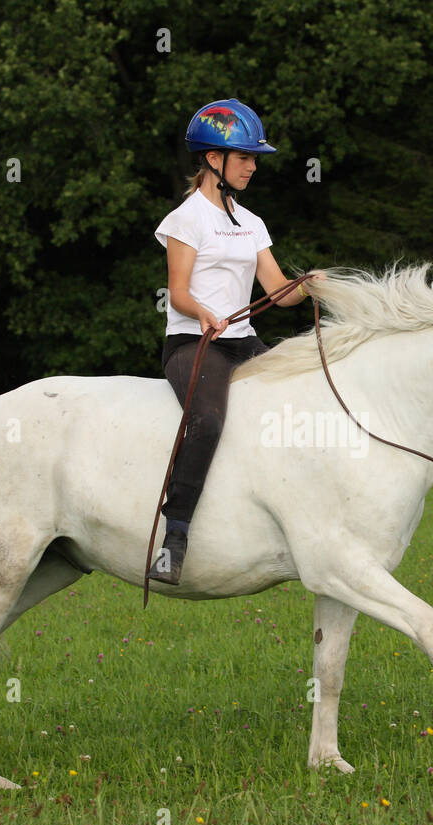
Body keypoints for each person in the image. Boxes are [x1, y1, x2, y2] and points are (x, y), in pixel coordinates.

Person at [149, 97, 318, 585]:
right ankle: (174, 537)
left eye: (253, 159)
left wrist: (310, 285)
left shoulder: (252, 222)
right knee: (206, 420)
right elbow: (178, 293)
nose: (252, 167)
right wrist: (202, 312)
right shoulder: (187, 219)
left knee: (302, 398)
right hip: (192, 342)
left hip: (242, 340)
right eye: (244, 157)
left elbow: (277, 291)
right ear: (212, 159)